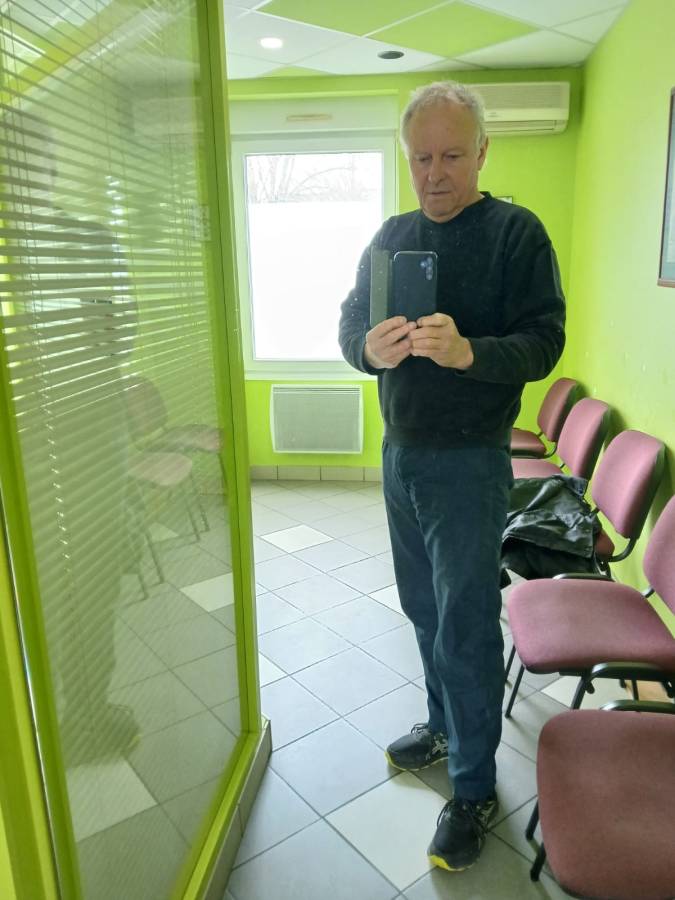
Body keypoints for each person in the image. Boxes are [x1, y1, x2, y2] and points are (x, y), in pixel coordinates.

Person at [339, 81, 566, 873]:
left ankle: (472, 787)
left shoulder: (514, 234)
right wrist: (367, 349)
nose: (433, 173)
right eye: (419, 158)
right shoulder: (391, 235)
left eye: (450, 156)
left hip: (469, 463)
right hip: (399, 454)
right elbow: (350, 320)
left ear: (481, 153)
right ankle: (443, 728)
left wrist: (469, 352)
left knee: (465, 627)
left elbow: (543, 342)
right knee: (423, 610)